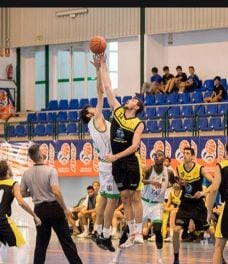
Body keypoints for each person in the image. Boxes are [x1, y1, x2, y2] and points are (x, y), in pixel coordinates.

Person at [99, 54, 146, 252]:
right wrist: (102, 65)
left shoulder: (138, 123)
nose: (130, 99)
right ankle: (131, 233)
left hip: (130, 162)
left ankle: (139, 232)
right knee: (124, 198)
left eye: (134, 100)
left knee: (135, 197)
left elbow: (135, 146)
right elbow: (108, 88)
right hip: (117, 163)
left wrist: (116, 156)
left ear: (137, 107)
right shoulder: (117, 111)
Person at [80, 54, 120, 251]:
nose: (96, 108)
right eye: (92, 108)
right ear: (89, 114)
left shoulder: (96, 123)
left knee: (103, 200)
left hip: (105, 164)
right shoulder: (95, 121)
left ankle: (97, 231)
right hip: (109, 164)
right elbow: (101, 91)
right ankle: (105, 236)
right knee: (112, 202)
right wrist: (98, 69)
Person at [20, 144, 82, 264]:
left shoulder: (26, 173)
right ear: (39, 154)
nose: (44, 151)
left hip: (39, 210)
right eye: (42, 150)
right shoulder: (50, 170)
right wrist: (65, 208)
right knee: (66, 241)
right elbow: (56, 191)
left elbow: (22, 193)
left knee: (41, 244)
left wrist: (34, 192)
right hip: (54, 208)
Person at [0, 160, 42, 264]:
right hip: (1, 219)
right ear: (7, 171)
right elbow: (21, 202)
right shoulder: (13, 184)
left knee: (5, 244)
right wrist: (35, 216)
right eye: (9, 167)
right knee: (23, 247)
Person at [172, 147, 212, 264]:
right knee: (175, 230)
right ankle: (176, 258)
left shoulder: (200, 168)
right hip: (185, 205)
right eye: (183, 153)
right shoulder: (178, 169)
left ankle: (219, 257)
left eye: (188, 153)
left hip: (198, 206)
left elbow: (214, 182)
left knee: (212, 232)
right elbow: (177, 187)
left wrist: (203, 192)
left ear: (193, 156)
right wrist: (177, 186)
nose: (185, 155)